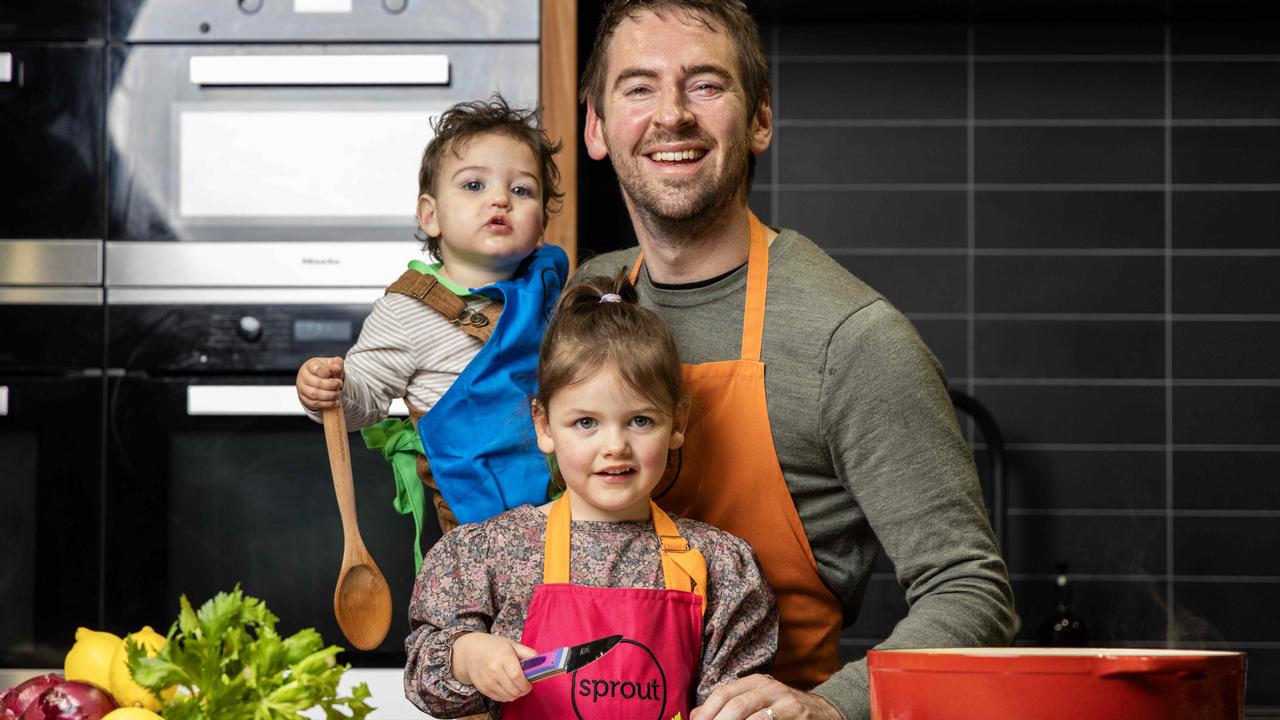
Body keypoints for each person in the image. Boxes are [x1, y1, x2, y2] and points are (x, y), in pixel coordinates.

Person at [574, 1, 1017, 718]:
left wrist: (832, 708)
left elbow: (971, 593)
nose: (673, 116)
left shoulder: (852, 338)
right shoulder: (587, 297)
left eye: (707, 85)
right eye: (640, 86)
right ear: (597, 125)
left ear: (760, 121)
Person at [403, 273, 778, 719]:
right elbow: (424, 678)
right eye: (586, 423)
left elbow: (737, 699)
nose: (615, 445)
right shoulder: (493, 552)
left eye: (640, 421)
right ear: (543, 425)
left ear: (677, 422)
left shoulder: (717, 563)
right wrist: (468, 655)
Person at [295, 96, 569, 568]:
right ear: (430, 215)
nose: (500, 199)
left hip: (569, 511)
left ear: (542, 224)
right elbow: (365, 399)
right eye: (474, 185)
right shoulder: (407, 312)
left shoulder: (553, 291)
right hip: (478, 533)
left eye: (522, 191)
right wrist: (330, 391)